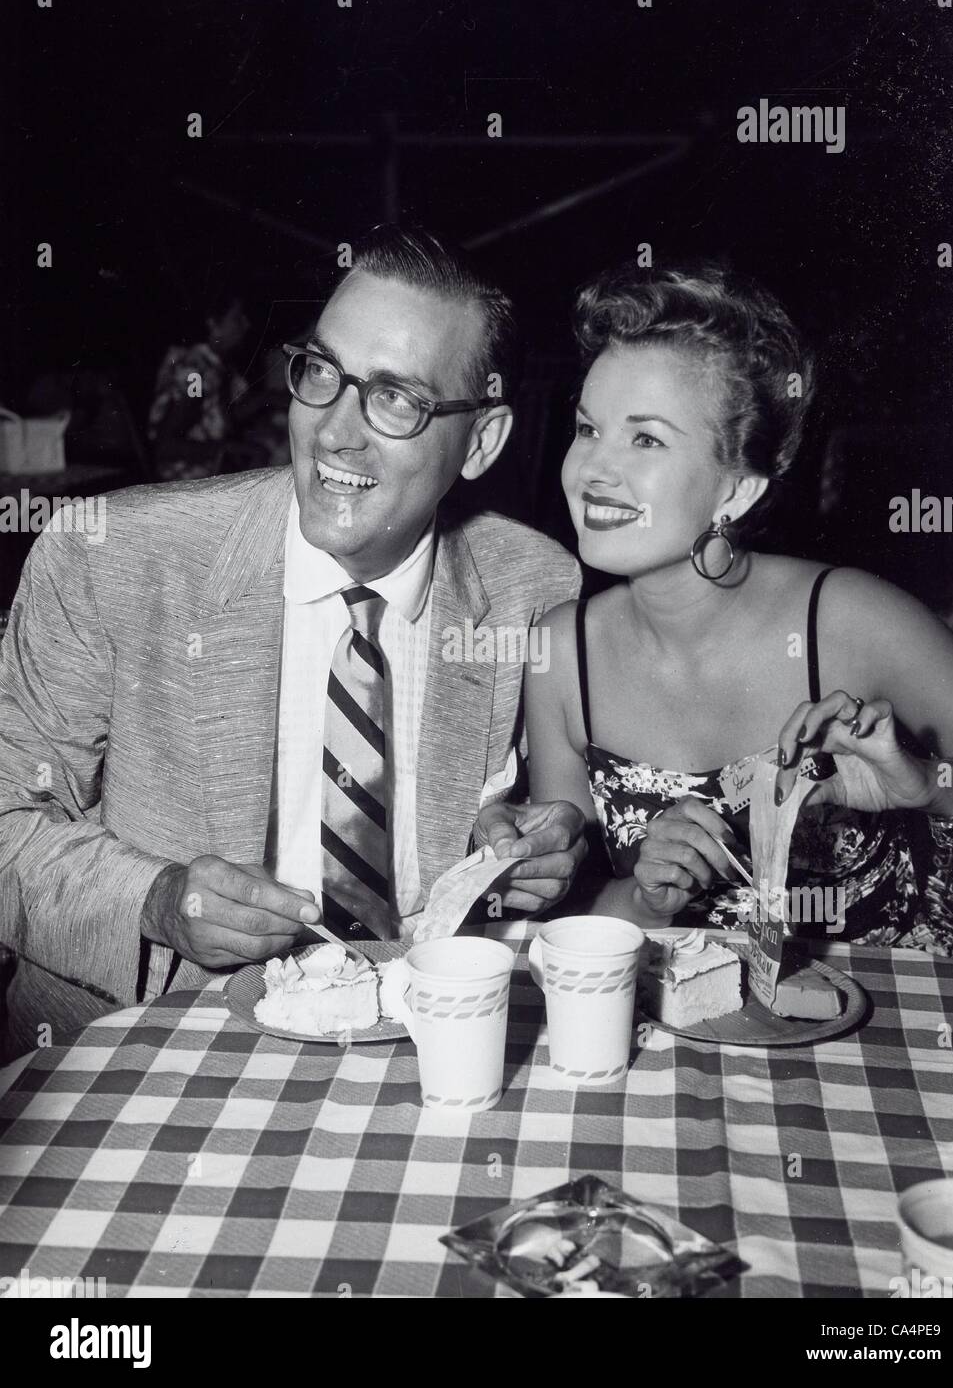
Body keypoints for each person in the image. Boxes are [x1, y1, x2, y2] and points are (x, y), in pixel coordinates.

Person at [0, 226, 586, 1059]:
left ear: (482, 440)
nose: (335, 433)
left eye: (396, 399)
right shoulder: (109, 555)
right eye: (323, 373)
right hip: (140, 1057)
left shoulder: (533, 586)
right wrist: (159, 900)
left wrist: (525, 850)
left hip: (421, 1044)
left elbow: (517, 816)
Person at [526, 262, 953, 957]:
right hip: (686, 1040)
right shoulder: (560, 653)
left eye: (644, 438)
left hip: (897, 1028)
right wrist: (648, 897)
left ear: (736, 492)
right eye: (587, 428)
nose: (591, 467)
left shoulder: (854, 621)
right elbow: (571, 910)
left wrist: (926, 786)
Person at [146, 289, 253, 480]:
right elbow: (167, 445)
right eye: (237, 318)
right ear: (213, 324)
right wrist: (227, 449)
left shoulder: (219, 366)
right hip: (183, 480)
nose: (246, 325)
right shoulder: (195, 372)